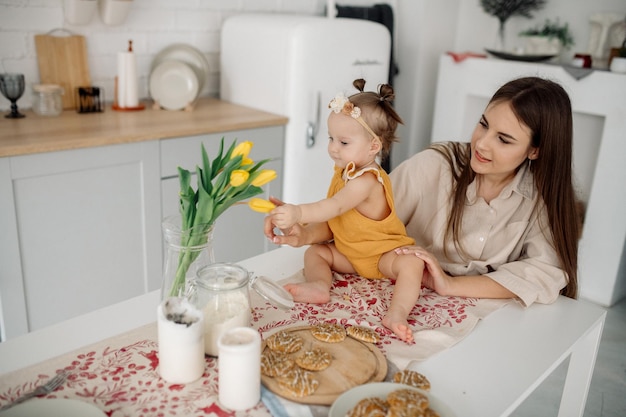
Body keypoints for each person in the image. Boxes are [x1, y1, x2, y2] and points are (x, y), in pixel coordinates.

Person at [265, 76, 579, 315]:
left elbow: (546, 272)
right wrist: (305, 233)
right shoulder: (436, 165)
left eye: (504, 140)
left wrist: (451, 284)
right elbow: (358, 225)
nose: (482, 144)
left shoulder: (539, 199)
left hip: (481, 312)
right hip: (400, 290)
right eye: (483, 124)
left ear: (535, 150)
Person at [268, 79, 425, 343]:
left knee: (413, 263)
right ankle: (320, 286)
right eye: (331, 138)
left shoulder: (367, 181)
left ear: (374, 146)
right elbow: (336, 220)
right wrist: (304, 234)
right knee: (316, 252)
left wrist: (298, 213)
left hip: (381, 256)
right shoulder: (344, 173)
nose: (332, 148)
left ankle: (396, 313)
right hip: (350, 255)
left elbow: (334, 206)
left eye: (343, 142)